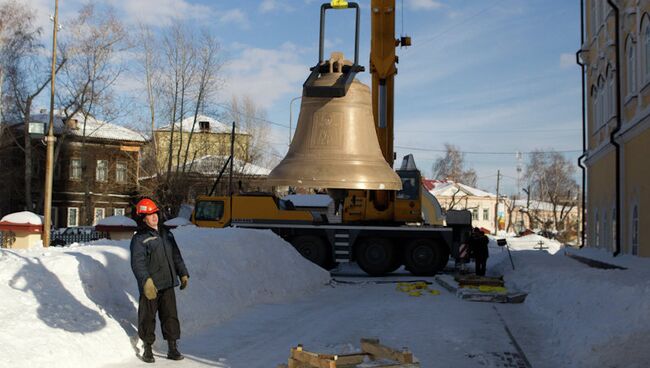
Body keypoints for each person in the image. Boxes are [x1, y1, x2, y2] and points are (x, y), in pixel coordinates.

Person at [130, 198, 190, 363]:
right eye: (150, 214)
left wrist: (183, 273)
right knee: (147, 317)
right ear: (143, 218)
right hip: (151, 286)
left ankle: (173, 348)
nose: (154, 217)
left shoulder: (166, 234)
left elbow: (176, 255)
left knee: (170, 316)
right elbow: (138, 263)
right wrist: (146, 281)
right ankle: (147, 349)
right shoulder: (140, 239)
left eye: (155, 213)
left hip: (168, 283)